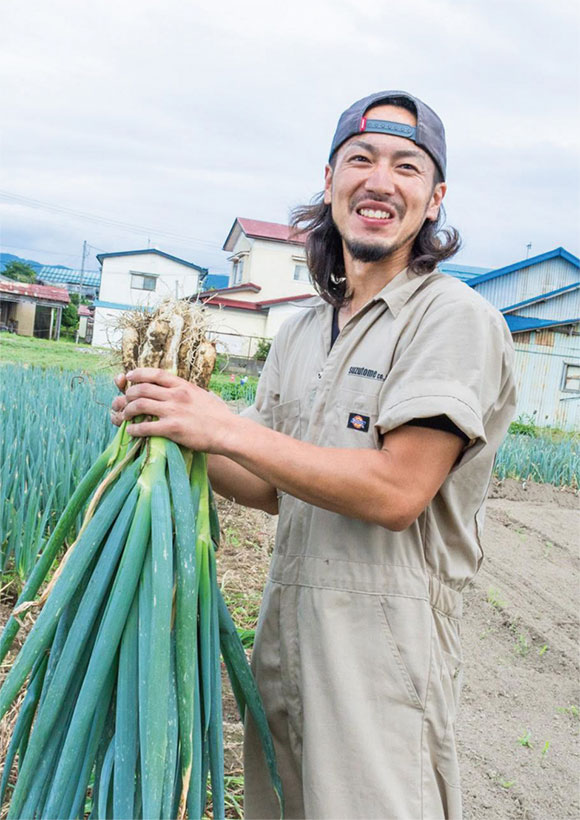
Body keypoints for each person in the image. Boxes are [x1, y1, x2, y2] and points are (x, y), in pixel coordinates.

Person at [111, 90, 516, 819]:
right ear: (329, 182)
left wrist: (225, 428)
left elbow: (397, 491)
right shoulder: (303, 330)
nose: (379, 181)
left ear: (434, 199)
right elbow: (270, 484)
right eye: (360, 160)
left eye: (407, 166)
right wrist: (171, 425)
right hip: (284, 639)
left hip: (382, 659)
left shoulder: (453, 318)